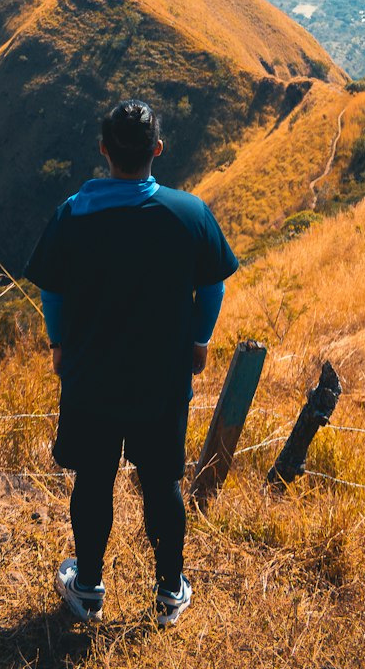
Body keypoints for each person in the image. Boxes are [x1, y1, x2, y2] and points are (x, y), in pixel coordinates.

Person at [24, 98, 238, 628]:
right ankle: (169, 593)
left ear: (103, 150)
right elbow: (212, 284)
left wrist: (58, 343)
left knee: (94, 479)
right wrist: (199, 339)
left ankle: (90, 587)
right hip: (161, 379)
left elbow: (52, 293)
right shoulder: (189, 213)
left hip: (90, 376)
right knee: (162, 481)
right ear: (157, 151)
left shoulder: (72, 214)